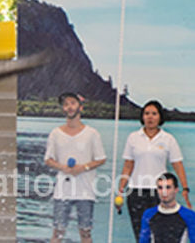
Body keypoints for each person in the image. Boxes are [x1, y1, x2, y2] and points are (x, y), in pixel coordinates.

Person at [118, 99, 191, 239]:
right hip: (135, 192)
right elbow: (128, 165)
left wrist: (185, 188)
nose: (150, 117)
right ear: (142, 117)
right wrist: (121, 190)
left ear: (160, 117)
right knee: (140, 235)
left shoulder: (168, 139)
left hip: (161, 192)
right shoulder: (133, 137)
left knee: (159, 234)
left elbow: (178, 165)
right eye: (146, 113)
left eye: (154, 114)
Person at [44, 92, 106, 243]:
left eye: (72, 103)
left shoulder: (92, 133)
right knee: (58, 233)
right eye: (66, 104)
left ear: (80, 107)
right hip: (62, 192)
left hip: (85, 191)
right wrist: (62, 167)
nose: (69, 107)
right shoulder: (55, 133)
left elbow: (101, 159)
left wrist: (83, 167)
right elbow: (48, 159)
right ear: (63, 109)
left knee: (85, 233)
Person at [139, 172, 195, 242]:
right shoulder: (149, 214)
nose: (164, 192)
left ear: (176, 190)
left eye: (168, 187)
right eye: (160, 188)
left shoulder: (189, 215)